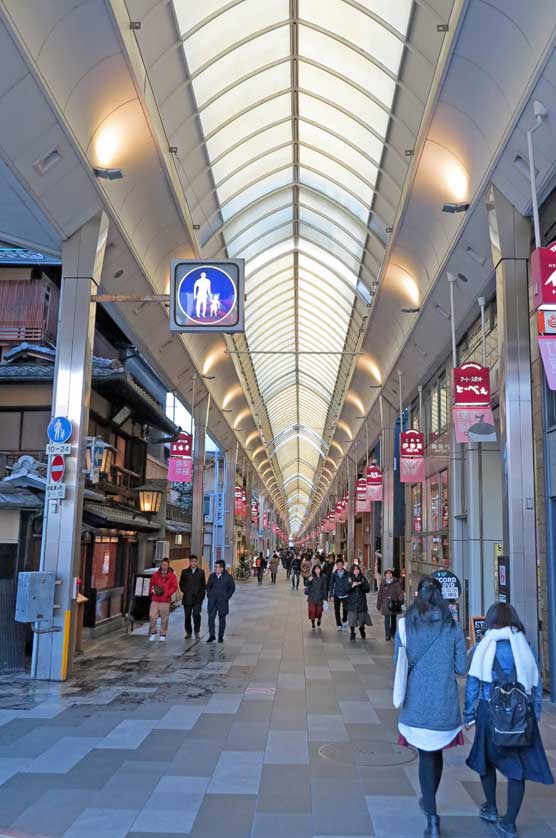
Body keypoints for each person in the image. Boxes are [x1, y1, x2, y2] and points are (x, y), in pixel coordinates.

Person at [464, 603, 554, 837]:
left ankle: (491, 807)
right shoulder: (524, 645)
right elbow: (534, 685)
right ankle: (510, 822)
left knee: (486, 760)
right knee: (517, 767)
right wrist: (533, 716)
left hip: (488, 710)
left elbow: (473, 682)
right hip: (519, 717)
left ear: (491, 620)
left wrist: (469, 715)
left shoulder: (482, 646)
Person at [394, 576, 467, 837]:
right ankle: (429, 803)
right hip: (444, 703)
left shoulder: (405, 627)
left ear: (417, 597)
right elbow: (461, 668)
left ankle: (432, 817)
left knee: (426, 755)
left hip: (417, 703)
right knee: (435, 754)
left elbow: (398, 667)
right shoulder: (453, 627)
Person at [148, 559, 178, 642]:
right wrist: (152, 591)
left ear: (168, 565)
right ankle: (153, 632)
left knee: (164, 618)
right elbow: (151, 584)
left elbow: (174, 586)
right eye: (162, 564)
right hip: (155, 599)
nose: (163, 566)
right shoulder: (155, 575)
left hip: (165, 600)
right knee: (152, 616)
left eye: (165, 565)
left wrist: (168, 593)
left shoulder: (172, 576)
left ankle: (163, 634)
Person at [206, 559, 235, 643]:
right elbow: (208, 587)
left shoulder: (228, 577)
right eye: (215, 567)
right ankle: (212, 635)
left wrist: (226, 596)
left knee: (222, 619)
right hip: (212, 601)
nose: (215, 569)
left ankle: (220, 636)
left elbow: (232, 588)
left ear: (222, 568)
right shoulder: (212, 576)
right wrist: (209, 595)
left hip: (222, 602)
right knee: (211, 618)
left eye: (216, 567)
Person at [179, 554, 206, 639]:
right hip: (187, 598)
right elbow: (181, 583)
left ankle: (197, 631)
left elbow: (203, 585)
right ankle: (188, 633)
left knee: (197, 615)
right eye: (192, 561)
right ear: (189, 562)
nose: (193, 563)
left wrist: (202, 596)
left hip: (198, 599)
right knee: (187, 616)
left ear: (197, 562)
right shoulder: (184, 572)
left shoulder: (201, 572)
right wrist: (185, 591)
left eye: (195, 561)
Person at [377, 569, 405, 641]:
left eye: (390, 574)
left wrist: (401, 600)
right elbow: (380, 593)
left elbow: (400, 592)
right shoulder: (383, 583)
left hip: (394, 603)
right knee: (386, 619)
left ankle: (393, 633)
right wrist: (378, 604)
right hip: (385, 604)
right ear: (385, 575)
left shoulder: (396, 582)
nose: (389, 575)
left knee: (393, 619)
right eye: (387, 574)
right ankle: (387, 635)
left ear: (392, 575)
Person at [346, 564, 372, 641]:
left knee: (362, 618)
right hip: (352, 602)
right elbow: (346, 589)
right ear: (352, 571)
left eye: (357, 569)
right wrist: (352, 586)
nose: (356, 571)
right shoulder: (349, 578)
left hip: (361, 602)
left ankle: (362, 629)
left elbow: (367, 589)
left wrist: (361, 585)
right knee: (352, 619)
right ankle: (352, 632)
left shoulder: (362, 578)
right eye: (354, 569)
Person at [330, 558, 351, 631]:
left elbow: (350, 583)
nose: (339, 566)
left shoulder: (347, 574)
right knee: (337, 610)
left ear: (343, 565)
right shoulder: (334, 574)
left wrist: (350, 591)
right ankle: (339, 624)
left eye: (341, 564)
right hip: (337, 594)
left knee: (346, 609)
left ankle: (344, 620)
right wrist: (331, 595)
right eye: (338, 565)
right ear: (336, 565)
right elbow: (331, 585)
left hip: (345, 594)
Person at [305, 565, 327, 629]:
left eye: (318, 569)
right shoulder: (311, 576)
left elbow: (325, 588)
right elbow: (306, 584)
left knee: (319, 611)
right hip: (312, 597)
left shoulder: (323, 577)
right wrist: (309, 580)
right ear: (314, 570)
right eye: (316, 569)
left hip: (320, 597)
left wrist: (325, 598)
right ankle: (313, 623)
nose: (317, 570)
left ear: (320, 570)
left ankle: (319, 619)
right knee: (312, 611)